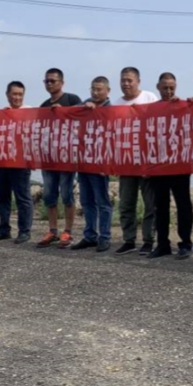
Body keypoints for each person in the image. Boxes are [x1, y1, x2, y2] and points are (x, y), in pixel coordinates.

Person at [147, 73, 193, 260]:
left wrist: (191, 104)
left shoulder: (183, 106)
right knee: (160, 206)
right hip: (159, 165)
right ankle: (163, 244)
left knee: (184, 205)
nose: (168, 91)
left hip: (179, 165)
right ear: (158, 87)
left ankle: (185, 243)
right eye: (165, 87)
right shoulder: (152, 109)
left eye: (172, 88)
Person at [113, 66, 159, 256]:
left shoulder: (149, 98)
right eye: (123, 80)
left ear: (138, 81)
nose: (126, 84)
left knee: (150, 204)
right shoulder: (116, 104)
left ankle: (148, 240)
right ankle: (129, 240)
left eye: (129, 80)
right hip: (126, 162)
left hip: (146, 161)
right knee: (126, 203)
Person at [36, 68, 82, 249]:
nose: (49, 84)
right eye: (46, 81)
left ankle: (68, 231)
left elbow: (84, 117)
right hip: (48, 158)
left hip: (67, 158)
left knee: (67, 194)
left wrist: (65, 112)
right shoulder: (43, 106)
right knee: (49, 195)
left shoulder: (72, 99)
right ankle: (52, 230)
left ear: (62, 82)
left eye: (53, 81)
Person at [0, 81, 34, 245]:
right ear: (7, 95)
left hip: (20, 163)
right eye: (14, 94)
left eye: (20, 94)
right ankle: (3, 229)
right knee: (2, 197)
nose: (17, 97)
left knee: (23, 198)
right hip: (2, 161)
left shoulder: (29, 112)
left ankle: (24, 231)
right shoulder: (2, 114)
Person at [72, 76, 114, 253]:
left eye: (99, 89)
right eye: (93, 89)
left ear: (107, 91)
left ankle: (104, 237)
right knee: (86, 201)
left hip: (100, 163)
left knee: (102, 201)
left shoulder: (111, 109)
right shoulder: (85, 105)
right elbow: (69, 113)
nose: (95, 93)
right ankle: (90, 235)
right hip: (84, 161)